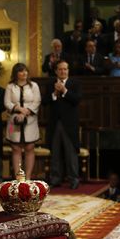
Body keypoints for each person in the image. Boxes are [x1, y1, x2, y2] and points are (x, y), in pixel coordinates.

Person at [43, 60, 81, 189]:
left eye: (65, 69)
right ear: (56, 71)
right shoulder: (50, 83)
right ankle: (55, 179)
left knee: (71, 153)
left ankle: (74, 179)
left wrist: (64, 90)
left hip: (70, 125)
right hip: (54, 123)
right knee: (55, 152)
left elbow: (77, 100)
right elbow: (45, 101)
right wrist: (54, 93)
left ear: (68, 70)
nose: (63, 71)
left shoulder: (74, 83)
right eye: (60, 69)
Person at [4, 63, 41, 180]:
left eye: (26, 71)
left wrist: (25, 113)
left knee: (30, 147)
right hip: (13, 121)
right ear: (16, 74)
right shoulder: (10, 86)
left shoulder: (34, 86)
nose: (24, 73)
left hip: (30, 121)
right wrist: (19, 109)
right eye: (21, 71)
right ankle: (19, 178)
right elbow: (7, 103)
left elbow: (37, 102)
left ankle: (28, 178)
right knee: (16, 148)